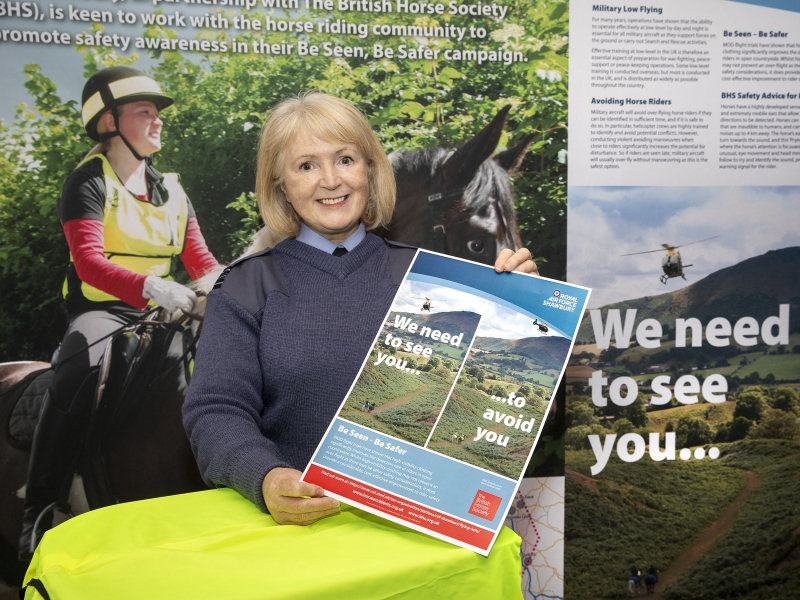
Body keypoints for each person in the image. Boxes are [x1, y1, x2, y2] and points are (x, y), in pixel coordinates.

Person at [182, 92, 537, 527]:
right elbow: (215, 410)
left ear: (370, 170)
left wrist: (525, 312)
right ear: (281, 185)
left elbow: (495, 401)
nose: (331, 180)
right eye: (306, 165)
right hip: (296, 535)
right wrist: (266, 477)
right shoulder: (244, 285)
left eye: (345, 159)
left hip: (426, 538)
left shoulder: (435, 278)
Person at [18, 66, 220, 559]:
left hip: (165, 313)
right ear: (110, 121)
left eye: (158, 114)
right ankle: (40, 508)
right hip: (103, 312)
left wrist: (231, 284)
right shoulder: (88, 181)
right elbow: (88, 261)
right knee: (79, 370)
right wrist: (151, 286)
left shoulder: (173, 189)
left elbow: (202, 264)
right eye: (145, 112)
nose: (158, 121)